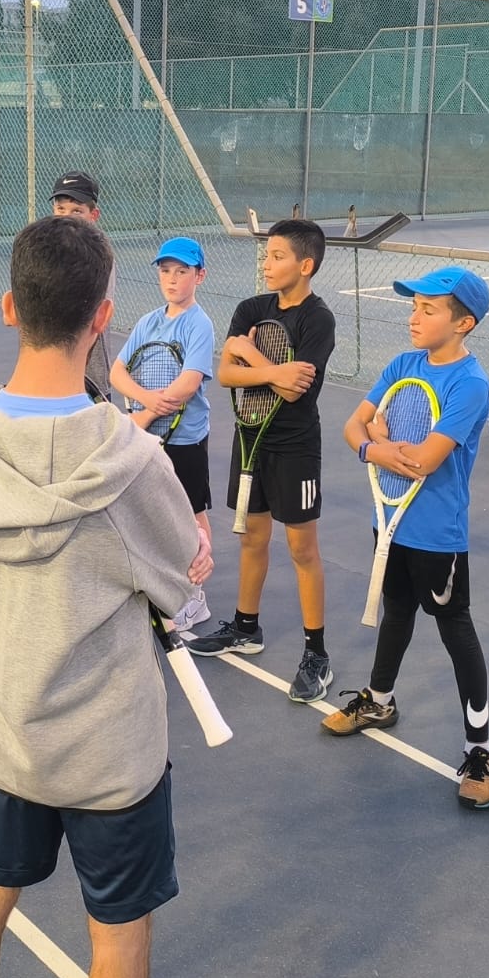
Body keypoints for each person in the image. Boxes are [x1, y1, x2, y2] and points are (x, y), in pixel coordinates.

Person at [0, 215, 213, 978]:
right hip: (110, 748)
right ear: (103, 319)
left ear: (8, 308)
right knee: (119, 933)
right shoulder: (133, 462)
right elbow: (177, 580)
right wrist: (187, 562)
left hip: (3, 728)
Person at [322, 268, 489, 807]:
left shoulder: (469, 385)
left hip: (438, 536)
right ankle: (379, 700)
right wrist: (377, 445)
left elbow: (424, 460)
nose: (414, 317)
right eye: (414, 307)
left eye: (429, 309)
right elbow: (354, 426)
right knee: (397, 611)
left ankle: (481, 748)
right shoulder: (402, 365)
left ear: (463, 322)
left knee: (454, 630)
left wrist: (379, 437)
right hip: (390, 521)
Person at [187, 219, 338, 706]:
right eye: (265, 255)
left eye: (276, 256)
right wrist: (260, 360)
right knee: (253, 538)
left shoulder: (319, 319)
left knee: (302, 550)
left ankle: (317, 653)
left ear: (305, 264)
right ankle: (246, 629)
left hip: (296, 449)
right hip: (251, 441)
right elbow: (226, 374)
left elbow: (301, 388)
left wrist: (246, 353)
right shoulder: (250, 308)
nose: (266, 264)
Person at [108, 235, 216, 634]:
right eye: (166, 271)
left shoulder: (199, 324)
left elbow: (188, 383)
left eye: (182, 272)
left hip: (185, 439)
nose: (172, 280)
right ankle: (163, 588)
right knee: (153, 514)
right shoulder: (148, 321)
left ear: (199, 276)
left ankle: (194, 598)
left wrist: (145, 413)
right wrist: (144, 402)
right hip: (148, 437)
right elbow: (117, 372)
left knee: (191, 516)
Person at [48, 170, 114, 395]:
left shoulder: (100, 255)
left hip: (87, 381)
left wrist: (71, 373)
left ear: (94, 215)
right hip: (49, 375)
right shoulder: (45, 252)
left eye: (77, 211)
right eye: (61, 209)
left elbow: (94, 322)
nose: (67, 217)